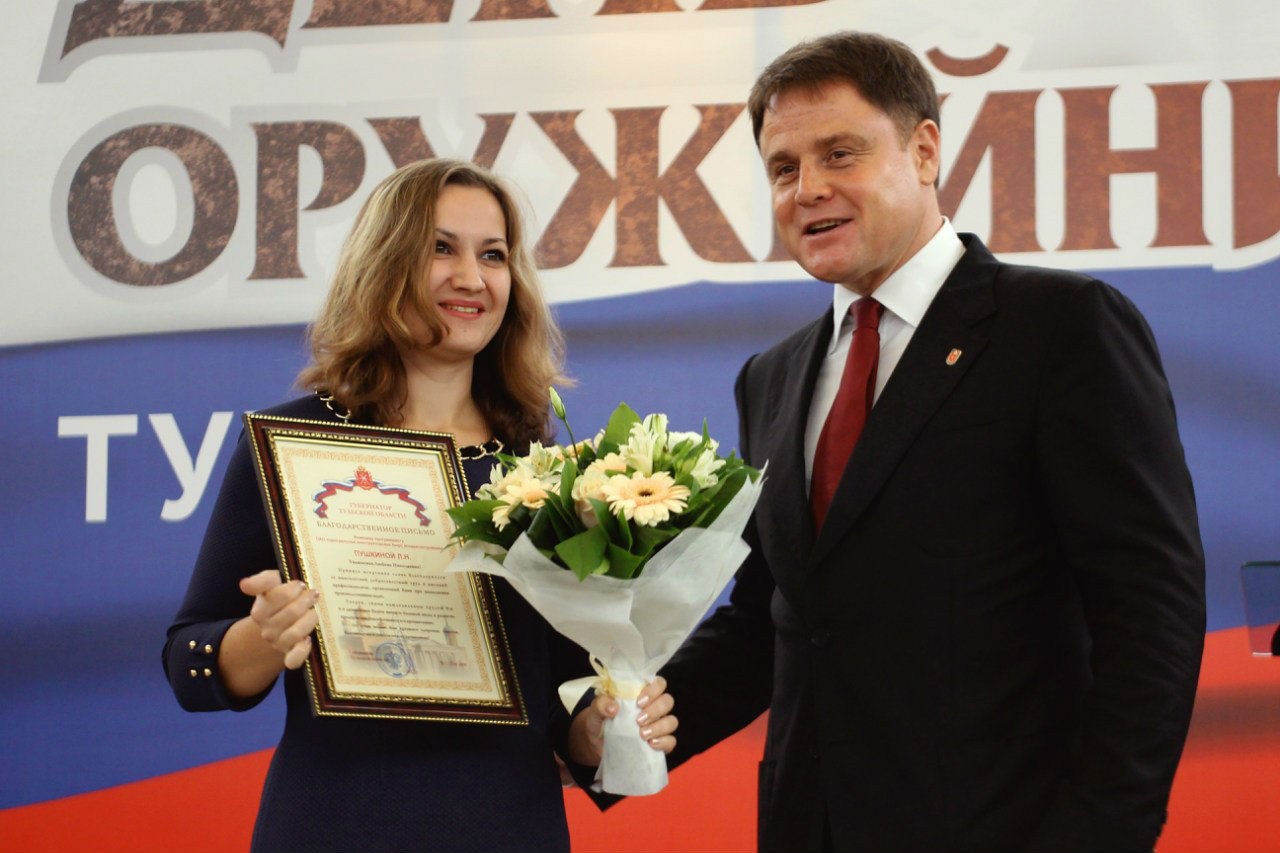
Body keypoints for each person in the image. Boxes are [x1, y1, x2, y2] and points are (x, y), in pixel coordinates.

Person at [661, 32, 1205, 852]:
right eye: (783, 167)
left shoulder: (1059, 328)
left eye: (839, 153)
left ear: (923, 151)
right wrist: (616, 731)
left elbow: (1151, 611)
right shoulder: (770, 378)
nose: (808, 189)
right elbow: (773, 620)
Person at [162, 158, 676, 853]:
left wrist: (596, 730)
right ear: (384, 264)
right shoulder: (294, 443)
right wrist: (262, 638)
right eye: (441, 248)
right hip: (333, 826)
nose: (471, 277)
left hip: (508, 830)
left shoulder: (543, 471)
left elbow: (561, 683)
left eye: (492, 255)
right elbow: (186, 662)